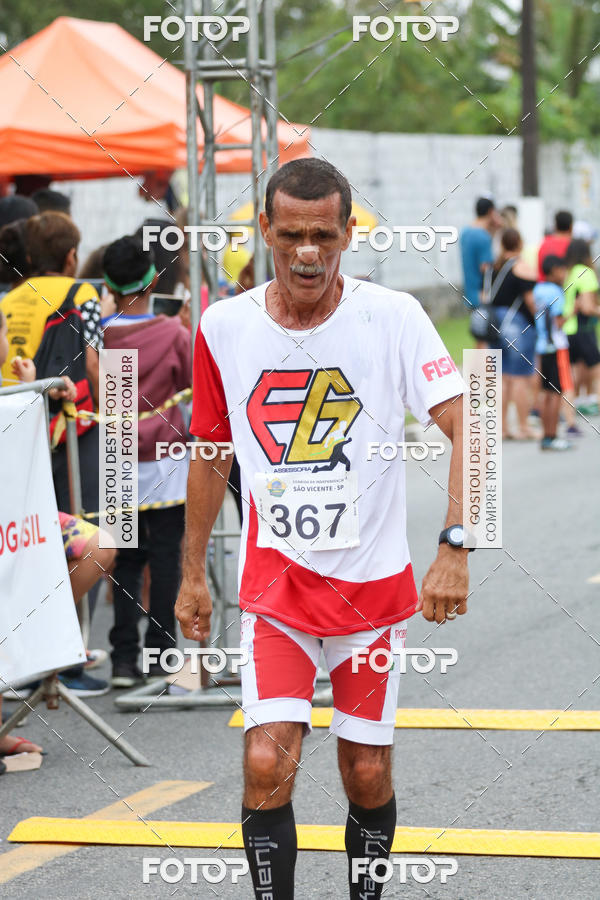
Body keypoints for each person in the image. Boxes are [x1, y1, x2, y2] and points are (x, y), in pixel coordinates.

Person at [176, 158, 470, 900]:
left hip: (369, 593)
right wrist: (188, 574)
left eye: (324, 236)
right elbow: (210, 452)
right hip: (275, 589)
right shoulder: (223, 326)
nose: (308, 253)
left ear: (348, 233)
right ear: (266, 231)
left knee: (364, 770)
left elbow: (475, 426)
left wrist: (458, 545)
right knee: (266, 764)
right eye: (293, 236)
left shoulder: (393, 316)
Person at [102, 236, 192, 688]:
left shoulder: (99, 335)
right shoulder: (173, 333)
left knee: (125, 559)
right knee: (165, 556)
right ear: (154, 279)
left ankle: (122, 659)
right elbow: (193, 385)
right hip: (168, 461)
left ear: (107, 283)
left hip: (117, 458)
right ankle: (162, 654)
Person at [488, 228, 538, 439]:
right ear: (518, 243)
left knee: (502, 377)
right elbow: (530, 300)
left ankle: (501, 427)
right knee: (519, 377)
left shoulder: (493, 268)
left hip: (495, 323)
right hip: (516, 324)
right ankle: (524, 425)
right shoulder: (520, 266)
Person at [533, 256, 575, 449]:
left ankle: (547, 436)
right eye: (562, 270)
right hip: (555, 346)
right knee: (556, 393)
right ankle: (553, 435)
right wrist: (574, 311)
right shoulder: (556, 292)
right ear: (554, 270)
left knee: (547, 393)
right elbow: (558, 323)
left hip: (541, 346)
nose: (564, 274)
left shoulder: (538, 290)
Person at [562, 239, 600, 417]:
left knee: (574, 372)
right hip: (583, 328)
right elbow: (587, 307)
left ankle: (567, 410)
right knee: (597, 372)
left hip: (568, 329)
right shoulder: (586, 273)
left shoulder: (569, 273)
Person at [460, 196, 502, 346]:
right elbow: (485, 267)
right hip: (482, 293)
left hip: (470, 291)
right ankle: (480, 370)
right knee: (486, 339)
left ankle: (477, 369)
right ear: (491, 212)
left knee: (480, 337)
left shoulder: (466, 232)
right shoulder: (483, 236)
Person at [538, 211, 573, 281]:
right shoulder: (573, 245)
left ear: (555, 225)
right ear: (571, 226)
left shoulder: (544, 244)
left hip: (544, 286)